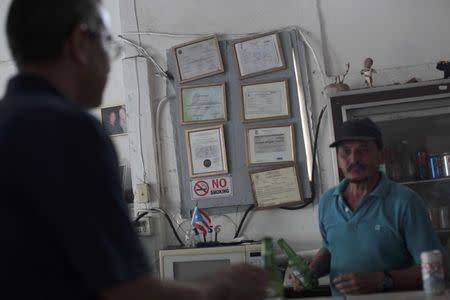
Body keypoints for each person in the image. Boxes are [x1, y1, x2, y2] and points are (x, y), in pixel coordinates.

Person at [0, 1, 267, 300]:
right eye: (107, 43)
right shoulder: (68, 129)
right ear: (79, 42)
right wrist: (222, 288)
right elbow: (129, 293)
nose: (110, 58)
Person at [291, 118, 446, 296]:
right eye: (345, 152)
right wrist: (311, 271)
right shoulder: (328, 201)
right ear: (338, 158)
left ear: (381, 155)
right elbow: (331, 247)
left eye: (363, 150)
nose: (353, 159)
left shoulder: (405, 203)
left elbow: (436, 269)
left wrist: (384, 280)